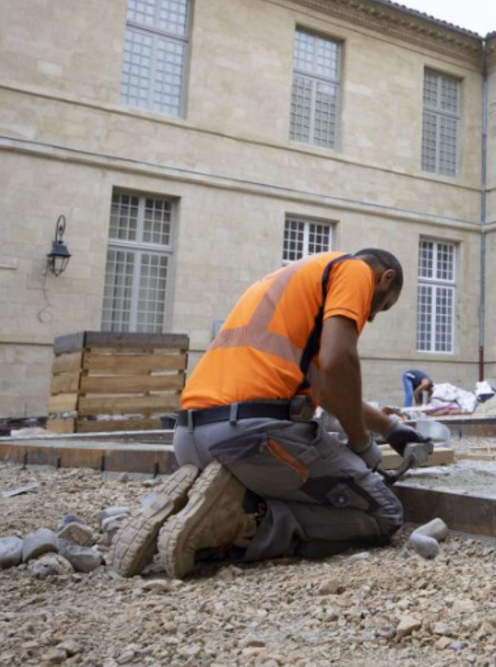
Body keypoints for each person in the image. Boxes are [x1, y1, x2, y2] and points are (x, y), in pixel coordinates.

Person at [109, 248, 429, 579]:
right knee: (384, 513)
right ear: (385, 277)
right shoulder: (355, 270)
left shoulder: (289, 282)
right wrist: (363, 446)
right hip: (250, 439)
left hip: (192, 437)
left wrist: (390, 429)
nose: (373, 316)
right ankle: (243, 522)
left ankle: (191, 505)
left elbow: (329, 389)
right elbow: (339, 363)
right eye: (383, 305)